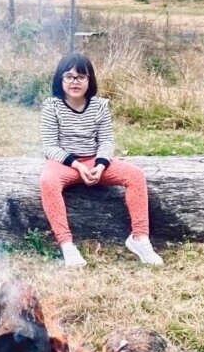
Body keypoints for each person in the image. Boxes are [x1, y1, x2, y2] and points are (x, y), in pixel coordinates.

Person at [38, 53, 163, 268]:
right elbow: (50, 145)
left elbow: (106, 141)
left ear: (90, 80)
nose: (74, 82)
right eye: (68, 76)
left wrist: (100, 165)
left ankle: (140, 238)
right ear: (60, 79)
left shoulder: (100, 106)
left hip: (95, 162)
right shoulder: (52, 106)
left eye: (81, 77)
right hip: (64, 164)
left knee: (135, 175)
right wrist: (76, 164)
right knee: (48, 182)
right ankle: (67, 245)